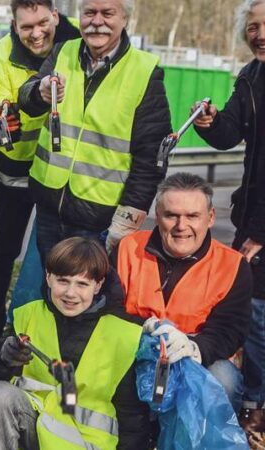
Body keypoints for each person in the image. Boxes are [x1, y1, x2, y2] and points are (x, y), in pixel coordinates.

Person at [18, 0, 171, 262]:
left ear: (125, 19)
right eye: (89, 12)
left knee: (87, 288)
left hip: (99, 222)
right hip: (48, 209)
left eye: (107, 13)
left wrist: (128, 220)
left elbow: (151, 157)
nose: (97, 21)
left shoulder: (144, 72)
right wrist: (37, 92)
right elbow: (26, 99)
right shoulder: (63, 52)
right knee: (49, 284)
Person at [0, 237, 149, 450]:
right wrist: (1, 355)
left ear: (98, 285)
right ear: (48, 277)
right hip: (35, 428)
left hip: (86, 444)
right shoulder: (30, 315)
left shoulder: (123, 335)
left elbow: (132, 417)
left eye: (82, 284)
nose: (70, 293)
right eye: (63, 281)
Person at [0, 0, 80, 343]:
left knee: (60, 253)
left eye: (42, 23)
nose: (36, 34)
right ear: (14, 24)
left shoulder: (79, 45)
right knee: (5, 248)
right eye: (26, 27)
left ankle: (49, 329)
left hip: (63, 172)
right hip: (16, 173)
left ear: (55, 15)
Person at [113, 172, 252, 413]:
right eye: (171, 215)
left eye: (192, 216)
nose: (181, 226)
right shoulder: (127, 248)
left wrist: (195, 348)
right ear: (157, 216)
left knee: (223, 379)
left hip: (196, 354)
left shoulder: (232, 264)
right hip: (133, 348)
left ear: (210, 218)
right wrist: (145, 329)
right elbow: (108, 306)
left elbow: (231, 328)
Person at [192, 0, 265, 432]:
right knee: (252, 310)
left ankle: (256, 403)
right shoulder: (251, 75)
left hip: (259, 225)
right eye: (253, 27)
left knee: (257, 312)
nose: (260, 35)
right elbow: (227, 135)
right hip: (252, 216)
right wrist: (210, 121)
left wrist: (259, 231)